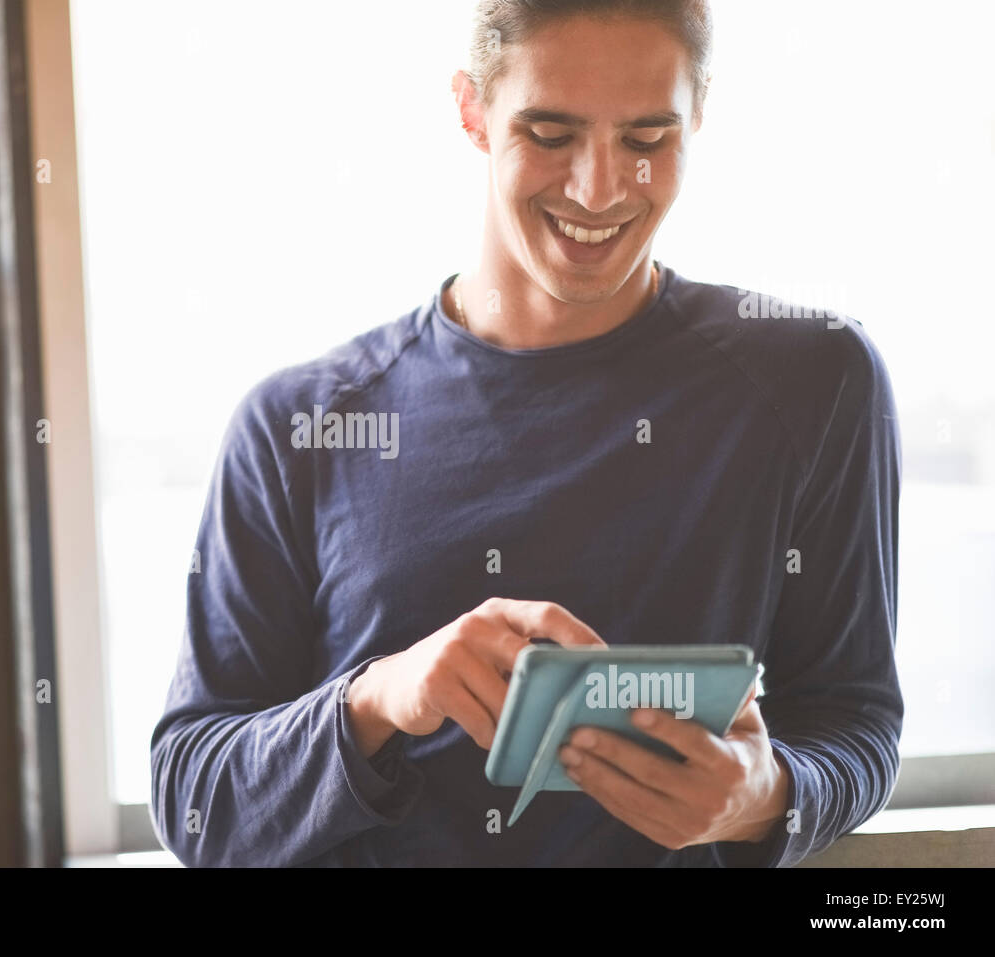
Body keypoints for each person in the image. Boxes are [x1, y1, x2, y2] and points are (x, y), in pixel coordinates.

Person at [149, 0, 903, 866]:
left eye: (648, 139)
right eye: (550, 133)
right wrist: (380, 696)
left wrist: (761, 798)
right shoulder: (294, 427)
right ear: (472, 111)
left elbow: (856, 721)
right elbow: (194, 797)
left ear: (698, 115)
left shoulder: (817, 381)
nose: (599, 187)